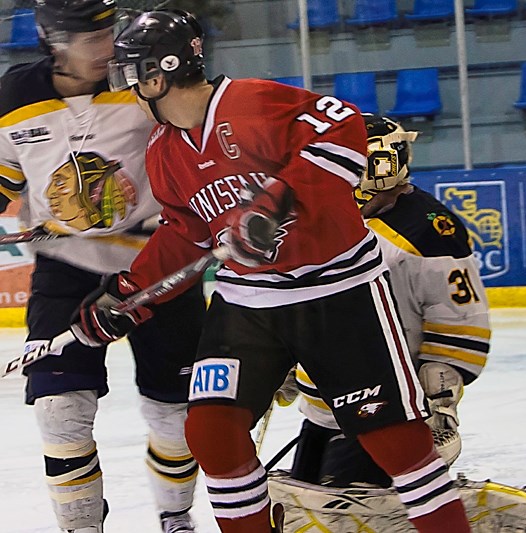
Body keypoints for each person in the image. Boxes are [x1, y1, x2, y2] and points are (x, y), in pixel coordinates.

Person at [73, 9, 473, 533]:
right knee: (212, 434)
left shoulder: (252, 101)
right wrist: (128, 295)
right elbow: (185, 235)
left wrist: (275, 200)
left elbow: (346, 129)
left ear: (156, 75)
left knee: (397, 443)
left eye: (130, 77)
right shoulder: (165, 151)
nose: (128, 91)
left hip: (338, 294)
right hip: (246, 307)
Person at [0, 2, 205, 532]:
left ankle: (175, 517)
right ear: (53, 41)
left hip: (159, 265)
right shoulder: (13, 96)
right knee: (58, 412)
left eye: (109, 32)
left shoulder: (142, 76)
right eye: (90, 39)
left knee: (176, 416)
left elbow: (197, 150)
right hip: (65, 268)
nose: (107, 47)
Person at [289, 115, 491, 491]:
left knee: (357, 514)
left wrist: (440, 404)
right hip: (321, 408)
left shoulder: (430, 230)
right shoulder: (321, 219)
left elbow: (459, 321)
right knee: (307, 508)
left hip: (385, 410)